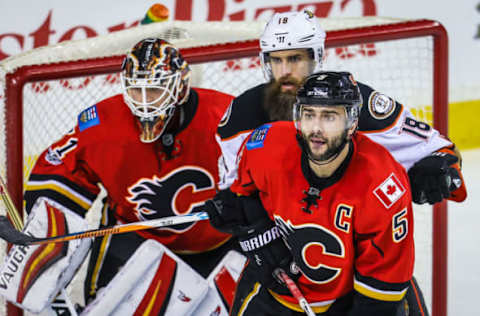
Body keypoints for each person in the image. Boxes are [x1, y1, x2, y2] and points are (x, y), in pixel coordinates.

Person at [213, 10, 466, 316]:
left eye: (295, 59)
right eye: (276, 60)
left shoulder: (359, 105)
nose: (285, 71)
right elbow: (235, 194)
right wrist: (253, 231)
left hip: (356, 266)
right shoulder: (242, 117)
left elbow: (440, 153)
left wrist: (436, 170)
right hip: (285, 272)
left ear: (317, 56)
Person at [21, 38, 236, 304]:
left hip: (221, 243)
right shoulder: (103, 123)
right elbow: (59, 173)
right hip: (133, 236)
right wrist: (39, 228)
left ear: (179, 86)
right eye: (136, 90)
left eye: (155, 89)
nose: (145, 102)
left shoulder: (228, 116)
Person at [208, 71, 415, 315]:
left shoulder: (382, 185)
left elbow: (381, 291)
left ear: (352, 123)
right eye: (309, 115)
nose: (316, 128)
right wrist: (254, 231)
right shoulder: (266, 146)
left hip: (348, 302)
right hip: (274, 293)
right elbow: (243, 200)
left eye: (329, 117)